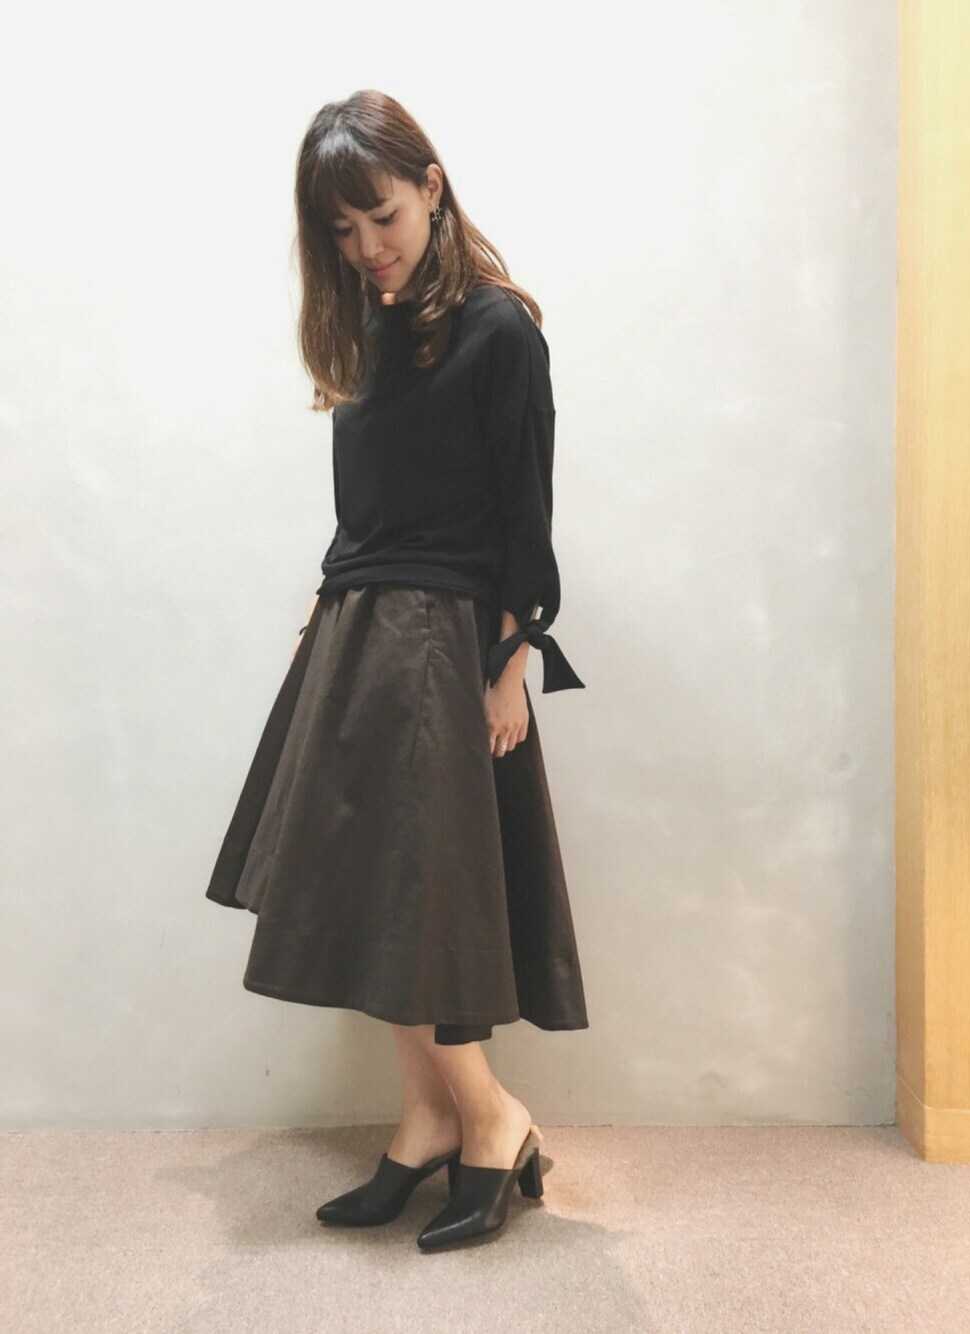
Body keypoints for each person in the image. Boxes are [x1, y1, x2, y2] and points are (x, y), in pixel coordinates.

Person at [205, 89, 588, 1250]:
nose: (368, 246)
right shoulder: (368, 328)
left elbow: (523, 512)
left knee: (417, 900)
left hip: (440, 640)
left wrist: (510, 663)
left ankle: (492, 1115)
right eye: (341, 229)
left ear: (431, 186)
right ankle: (425, 1119)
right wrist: (321, 610)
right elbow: (364, 506)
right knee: (374, 894)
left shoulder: (500, 328)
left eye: (382, 215)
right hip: (357, 629)